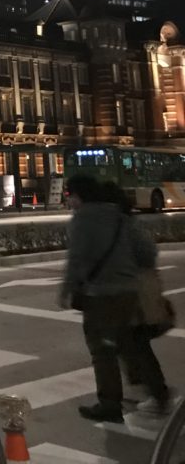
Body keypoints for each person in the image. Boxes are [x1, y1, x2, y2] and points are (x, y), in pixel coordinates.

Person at [60, 175, 170, 422]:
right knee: (129, 343)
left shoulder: (82, 220)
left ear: (80, 195)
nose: (70, 202)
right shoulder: (119, 217)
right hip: (128, 293)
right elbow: (147, 251)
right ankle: (158, 393)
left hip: (100, 295)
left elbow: (76, 260)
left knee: (102, 350)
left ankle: (110, 403)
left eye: (71, 196)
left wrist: (66, 290)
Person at [100, 181, 175, 412]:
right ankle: (151, 389)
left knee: (136, 343)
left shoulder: (122, 226)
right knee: (131, 343)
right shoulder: (123, 224)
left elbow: (147, 253)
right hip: (134, 293)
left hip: (137, 294)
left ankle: (158, 393)